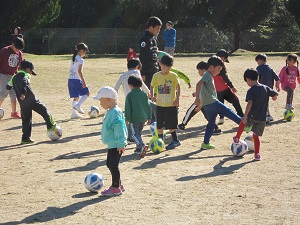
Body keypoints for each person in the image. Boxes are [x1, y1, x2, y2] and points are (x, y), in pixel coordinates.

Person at [194, 56, 241, 150]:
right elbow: (198, 84)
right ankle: (243, 124)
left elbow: (204, 91)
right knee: (228, 111)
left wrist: (201, 104)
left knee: (211, 123)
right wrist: (197, 99)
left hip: (207, 105)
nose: (219, 72)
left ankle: (205, 143)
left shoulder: (208, 76)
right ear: (211, 67)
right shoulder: (207, 74)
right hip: (212, 102)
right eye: (218, 69)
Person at [6, 60, 57, 144]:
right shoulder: (26, 75)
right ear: (28, 69)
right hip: (32, 100)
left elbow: (8, 86)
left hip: (23, 103)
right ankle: (51, 126)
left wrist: (16, 87)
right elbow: (24, 82)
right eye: (31, 72)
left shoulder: (14, 76)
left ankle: (25, 138)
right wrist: (23, 93)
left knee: (26, 120)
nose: (30, 73)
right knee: (44, 110)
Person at [233, 68, 278, 161]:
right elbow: (275, 93)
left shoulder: (251, 91)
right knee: (256, 136)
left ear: (248, 79)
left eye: (246, 81)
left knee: (243, 122)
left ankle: (237, 138)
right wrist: (274, 96)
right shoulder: (265, 88)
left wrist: (245, 116)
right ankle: (257, 154)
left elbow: (250, 103)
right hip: (262, 118)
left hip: (252, 115)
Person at [93, 86, 127, 197]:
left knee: (113, 165)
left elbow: (120, 128)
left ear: (108, 100)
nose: (100, 104)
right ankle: (119, 184)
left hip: (116, 144)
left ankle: (115, 187)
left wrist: (121, 143)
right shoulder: (111, 111)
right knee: (110, 164)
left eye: (100, 101)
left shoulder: (115, 112)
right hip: (112, 144)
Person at [178, 61, 222, 135]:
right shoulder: (208, 78)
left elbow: (202, 88)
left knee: (190, 111)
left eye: (199, 70)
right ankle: (216, 128)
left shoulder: (205, 77)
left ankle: (183, 124)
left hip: (202, 101)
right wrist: (196, 93)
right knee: (208, 115)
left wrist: (198, 99)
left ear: (204, 70)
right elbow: (204, 90)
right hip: (206, 101)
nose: (198, 72)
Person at [150, 54, 181, 150]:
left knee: (171, 125)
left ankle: (175, 140)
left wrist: (177, 99)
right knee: (159, 125)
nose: (165, 68)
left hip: (171, 105)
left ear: (171, 67)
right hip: (160, 105)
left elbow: (178, 87)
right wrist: (152, 96)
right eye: (163, 66)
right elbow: (152, 86)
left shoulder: (173, 76)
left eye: (168, 67)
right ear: (160, 64)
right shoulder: (156, 76)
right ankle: (160, 141)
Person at [214, 49, 244, 125]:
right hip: (225, 88)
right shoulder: (221, 66)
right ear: (222, 57)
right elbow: (225, 78)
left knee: (220, 104)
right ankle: (241, 116)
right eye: (224, 59)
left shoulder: (211, 64)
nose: (224, 61)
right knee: (235, 101)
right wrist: (232, 87)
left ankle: (221, 118)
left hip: (216, 89)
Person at [125, 76, 151, 157]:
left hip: (134, 118)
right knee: (138, 133)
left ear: (130, 85)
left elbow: (128, 108)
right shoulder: (144, 94)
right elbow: (148, 106)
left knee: (132, 134)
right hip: (143, 118)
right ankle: (138, 149)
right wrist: (149, 117)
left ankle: (142, 145)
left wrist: (127, 118)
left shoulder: (130, 95)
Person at [0, 37, 25, 119]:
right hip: (3, 74)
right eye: (17, 48)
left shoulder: (20, 54)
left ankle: (14, 112)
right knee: (4, 93)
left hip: (13, 76)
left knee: (13, 94)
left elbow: (20, 65)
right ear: (13, 44)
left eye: (19, 49)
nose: (18, 50)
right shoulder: (5, 50)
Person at [255, 54, 280, 122]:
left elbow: (256, 78)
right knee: (265, 102)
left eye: (257, 62)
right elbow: (277, 79)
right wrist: (278, 86)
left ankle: (266, 116)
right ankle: (268, 115)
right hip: (269, 89)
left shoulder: (259, 68)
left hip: (261, 88)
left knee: (262, 102)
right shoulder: (270, 68)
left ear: (259, 61)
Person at [68, 43, 90, 119]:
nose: (85, 53)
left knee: (76, 96)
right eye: (85, 51)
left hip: (70, 80)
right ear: (81, 51)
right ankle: (78, 105)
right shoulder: (80, 60)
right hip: (76, 80)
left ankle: (74, 114)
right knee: (87, 92)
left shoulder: (74, 58)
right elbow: (79, 71)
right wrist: (83, 81)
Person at [139, 16, 162, 88]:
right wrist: (142, 73)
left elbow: (155, 53)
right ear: (151, 27)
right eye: (157, 28)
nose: (158, 31)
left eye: (159, 29)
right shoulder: (145, 39)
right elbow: (142, 56)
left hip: (155, 69)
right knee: (149, 93)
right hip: (148, 72)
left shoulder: (153, 38)